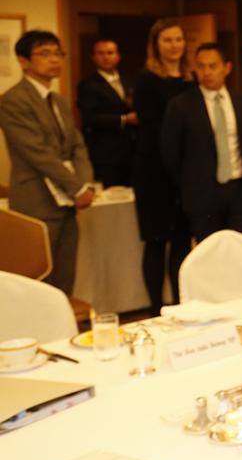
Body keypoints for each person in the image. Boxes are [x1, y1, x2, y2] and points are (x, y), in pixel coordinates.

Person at [0, 30, 96, 294]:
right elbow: (37, 153)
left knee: (65, 277)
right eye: (45, 54)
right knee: (37, 283)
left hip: (67, 203)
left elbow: (77, 145)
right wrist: (77, 189)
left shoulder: (59, 101)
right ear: (23, 61)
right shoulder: (13, 101)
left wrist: (85, 184)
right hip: (37, 201)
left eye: (58, 53)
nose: (54, 60)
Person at [161, 43, 242, 241]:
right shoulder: (181, 105)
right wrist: (189, 185)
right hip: (202, 193)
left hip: (238, 187)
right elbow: (170, 153)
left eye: (212, 66)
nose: (206, 72)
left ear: (227, 68)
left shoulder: (241, 102)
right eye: (201, 66)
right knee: (212, 255)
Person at [132, 18, 195, 314]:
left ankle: (179, 304)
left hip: (184, 172)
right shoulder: (146, 79)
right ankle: (156, 308)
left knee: (182, 241)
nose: (174, 46)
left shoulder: (190, 79)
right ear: (156, 45)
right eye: (167, 40)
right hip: (154, 172)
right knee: (157, 242)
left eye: (179, 40)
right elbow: (152, 128)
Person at [76, 38, 137, 187]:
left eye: (110, 53)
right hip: (105, 151)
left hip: (131, 150)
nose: (106, 57)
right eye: (101, 53)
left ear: (118, 56)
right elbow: (90, 118)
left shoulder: (129, 81)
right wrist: (123, 119)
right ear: (94, 57)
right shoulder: (88, 85)